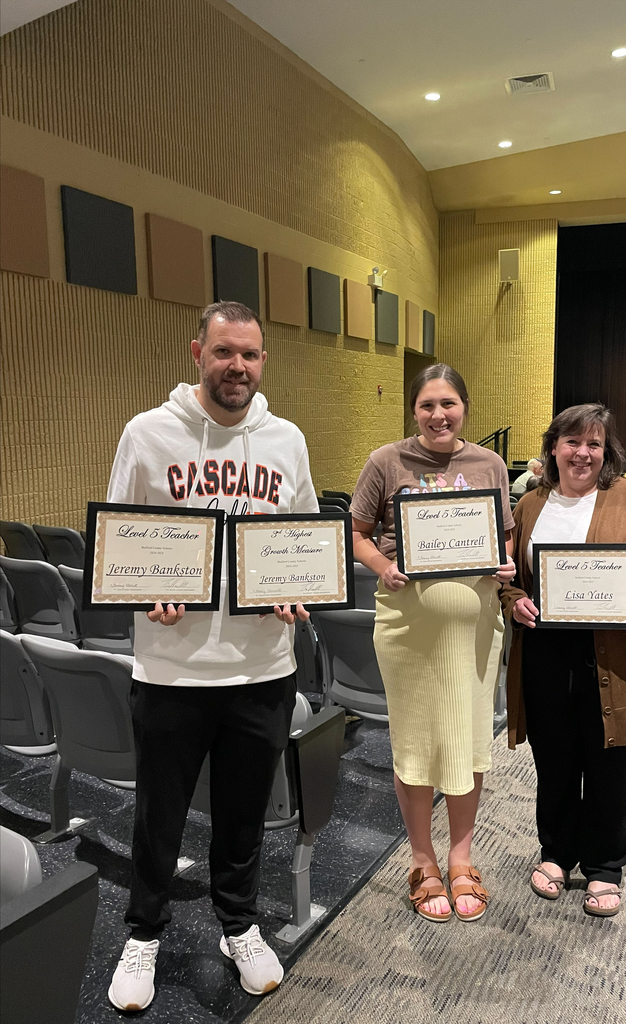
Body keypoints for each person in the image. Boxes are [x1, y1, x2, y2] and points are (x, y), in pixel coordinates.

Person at [107, 301, 318, 1012]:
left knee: (243, 814)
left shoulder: (285, 440)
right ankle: (143, 932)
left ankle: (239, 922)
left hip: (262, 667)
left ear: (264, 361)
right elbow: (121, 540)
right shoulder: (148, 432)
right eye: (225, 352)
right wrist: (145, 591)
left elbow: (304, 537)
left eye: (251, 355)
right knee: (159, 813)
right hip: (172, 668)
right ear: (198, 350)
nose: (238, 367)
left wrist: (298, 589)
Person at [500, 403, 626, 917]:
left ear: (607, 452)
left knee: (612, 761)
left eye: (594, 444)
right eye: (572, 442)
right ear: (552, 447)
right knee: (554, 757)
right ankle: (557, 852)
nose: (583, 453)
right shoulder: (529, 504)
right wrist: (514, 599)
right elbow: (509, 573)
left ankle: (605, 867)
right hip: (546, 652)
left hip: (616, 654)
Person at [350, 364, 516, 923]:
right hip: (408, 626)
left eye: (448, 403)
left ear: (464, 407)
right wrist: (381, 564)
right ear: (413, 410)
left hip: (472, 628)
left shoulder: (488, 464)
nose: (438, 415)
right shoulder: (386, 461)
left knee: (469, 740)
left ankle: (462, 858)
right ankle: (422, 860)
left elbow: (505, 533)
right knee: (417, 741)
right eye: (427, 405)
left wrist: (504, 561)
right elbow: (357, 532)